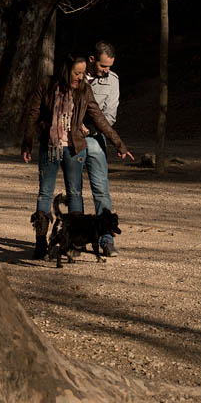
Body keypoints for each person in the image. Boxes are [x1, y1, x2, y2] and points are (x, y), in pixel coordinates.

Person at [21, 54, 134, 259]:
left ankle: (73, 244)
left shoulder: (84, 89)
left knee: (75, 194)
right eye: (77, 73)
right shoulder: (47, 84)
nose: (81, 77)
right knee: (44, 194)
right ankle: (40, 242)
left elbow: (99, 118)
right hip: (50, 146)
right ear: (66, 71)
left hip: (75, 149)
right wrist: (27, 144)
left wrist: (119, 144)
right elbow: (33, 114)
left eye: (82, 73)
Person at [82, 41, 121, 257]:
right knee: (73, 190)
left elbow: (110, 115)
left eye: (109, 67)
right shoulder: (75, 76)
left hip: (95, 137)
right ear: (92, 59)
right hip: (70, 138)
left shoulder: (112, 80)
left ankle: (106, 239)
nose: (106, 70)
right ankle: (77, 238)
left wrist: (90, 129)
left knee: (101, 190)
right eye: (103, 66)